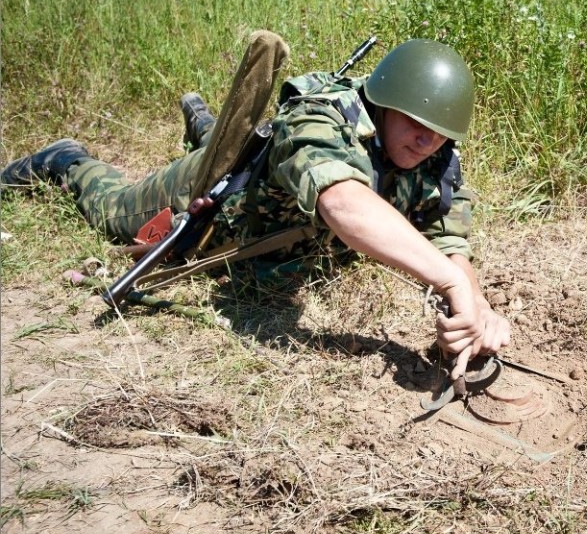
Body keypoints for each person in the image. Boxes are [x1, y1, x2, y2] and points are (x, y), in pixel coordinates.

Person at [1, 34, 511, 380]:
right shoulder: (319, 117)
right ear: (381, 102)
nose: (426, 141)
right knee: (110, 210)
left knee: (245, 146)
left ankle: (206, 122)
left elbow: (447, 234)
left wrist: (474, 301)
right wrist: (447, 281)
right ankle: (65, 158)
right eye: (415, 122)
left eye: (440, 133)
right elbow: (341, 200)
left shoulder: (435, 156)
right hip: (207, 200)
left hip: (266, 198)